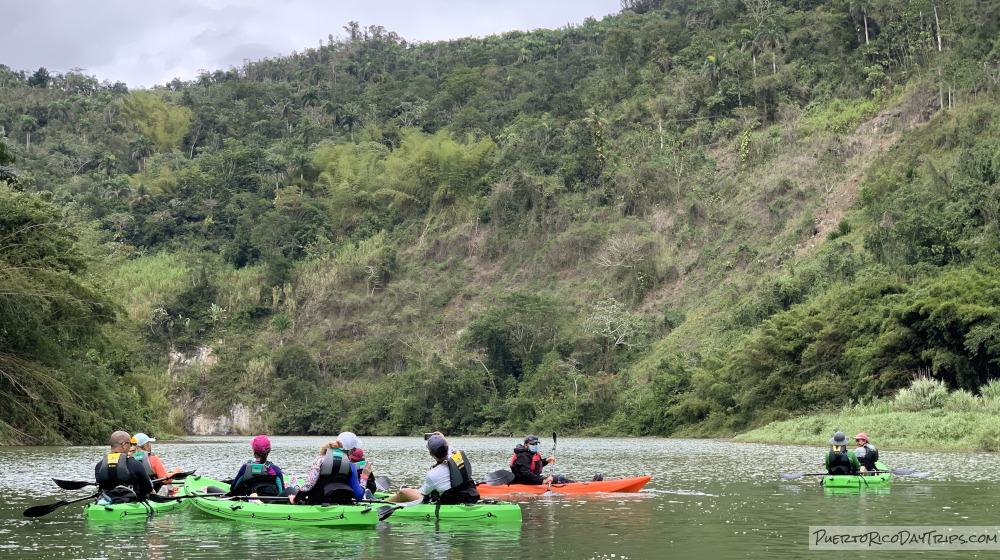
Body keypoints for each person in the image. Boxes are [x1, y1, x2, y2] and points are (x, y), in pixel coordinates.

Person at [388, 432, 480, 505]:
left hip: (452, 499)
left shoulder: (433, 474)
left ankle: (386, 504)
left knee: (403, 492)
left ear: (431, 453)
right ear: (446, 448)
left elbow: (422, 494)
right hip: (469, 493)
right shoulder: (457, 456)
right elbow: (448, 446)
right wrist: (441, 437)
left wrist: (408, 491)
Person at [288, 432, 370, 505]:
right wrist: (364, 477)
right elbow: (359, 495)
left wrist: (295, 500)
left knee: (288, 490)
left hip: (317, 503)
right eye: (355, 449)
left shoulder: (320, 459)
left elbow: (308, 485)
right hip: (342, 503)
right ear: (350, 450)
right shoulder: (351, 466)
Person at [94, 430, 154, 504]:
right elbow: (148, 488)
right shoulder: (135, 464)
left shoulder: (99, 465)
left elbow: (100, 485)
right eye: (130, 444)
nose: (131, 446)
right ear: (123, 445)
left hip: (107, 502)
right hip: (131, 504)